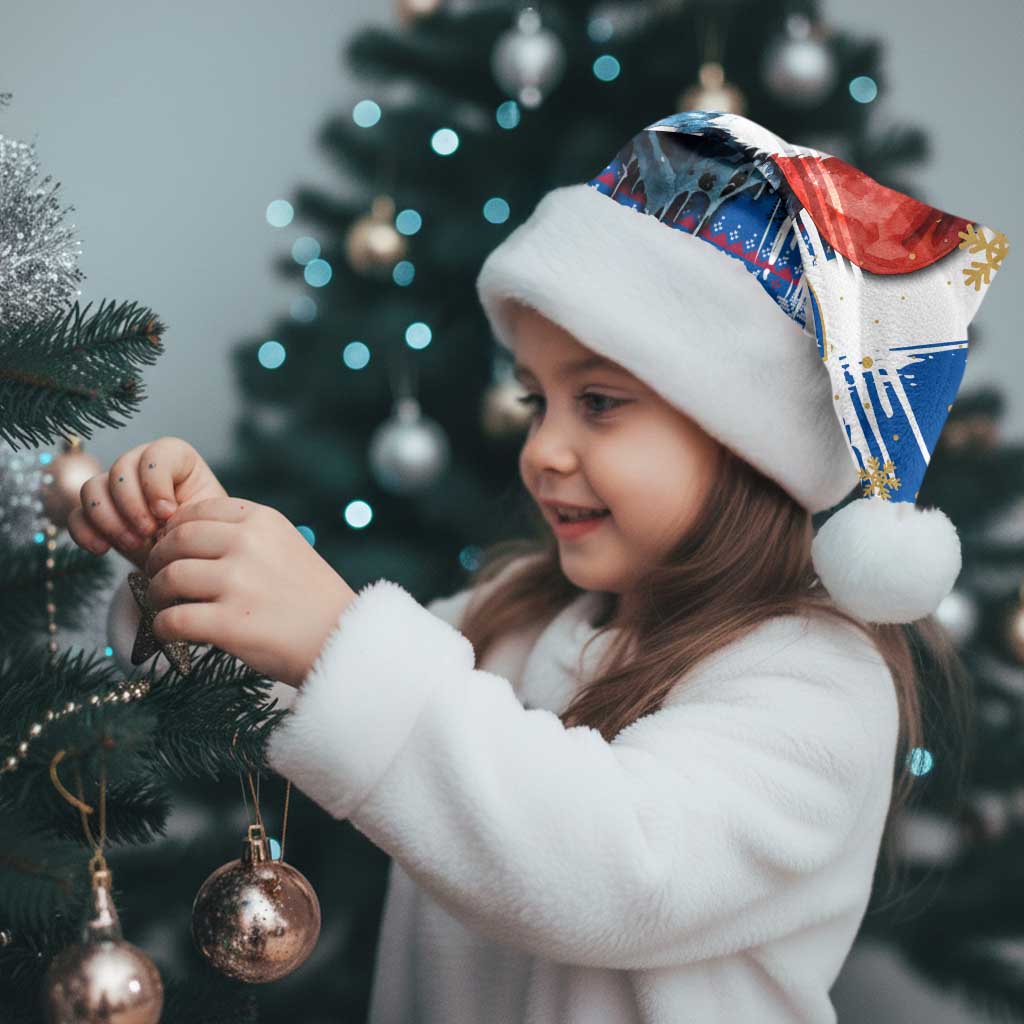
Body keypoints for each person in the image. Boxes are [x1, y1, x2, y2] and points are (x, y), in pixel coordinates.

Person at [72, 110, 1009, 1023]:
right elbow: (305, 693)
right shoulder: (514, 617)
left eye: (598, 403)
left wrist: (335, 637)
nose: (543, 450)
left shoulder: (818, 683)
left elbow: (615, 870)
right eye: (536, 402)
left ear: (747, 442)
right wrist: (191, 566)